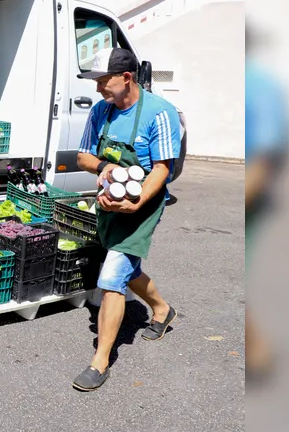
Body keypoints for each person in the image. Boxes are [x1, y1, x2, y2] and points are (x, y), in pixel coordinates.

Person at [70, 48, 181, 391]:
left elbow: (163, 167)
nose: (98, 87)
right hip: (110, 204)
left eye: (103, 80)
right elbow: (83, 156)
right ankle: (162, 310)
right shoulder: (101, 112)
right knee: (126, 266)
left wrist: (137, 203)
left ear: (126, 78)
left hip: (142, 206)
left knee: (112, 277)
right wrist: (106, 168)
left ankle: (100, 361)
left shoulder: (159, 112)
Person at [244, 27, 289, 384]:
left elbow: (266, 156)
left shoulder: (259, 84)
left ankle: (260, 355)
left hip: (254, 196)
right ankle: (259, 354)